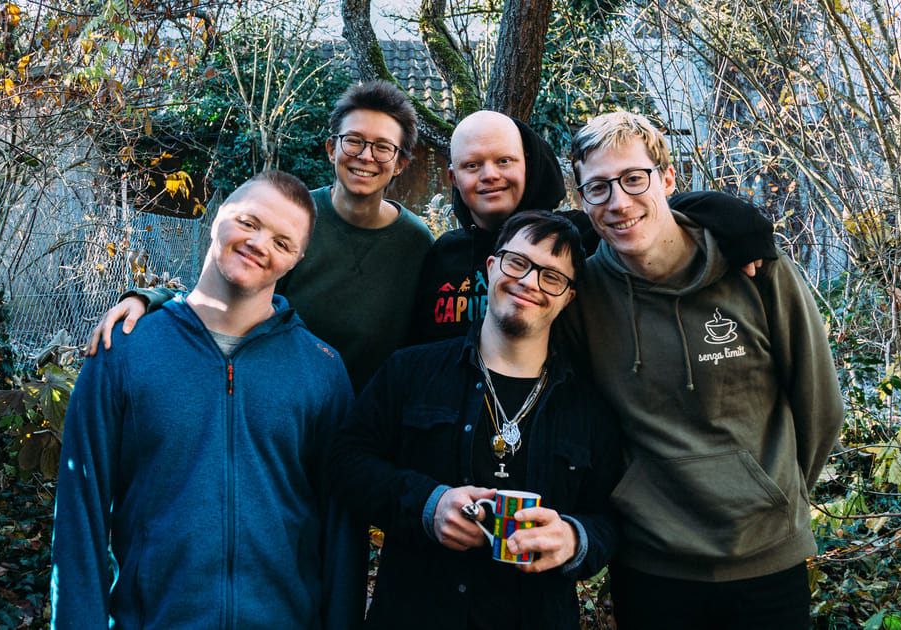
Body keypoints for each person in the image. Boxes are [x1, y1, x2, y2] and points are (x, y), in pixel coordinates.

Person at [565, 111, 844, 629]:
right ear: (582, 200)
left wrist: (772, 493)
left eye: (634, 178)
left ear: (668, 178)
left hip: (766, 560)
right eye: (598, 187)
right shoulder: (581, 293)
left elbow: (819, 403)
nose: (619, 202)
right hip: (650, 564)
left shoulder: (755, 269)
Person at [51, 170, 359, 629]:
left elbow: (341, 531)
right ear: (217, 217)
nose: (259, 244)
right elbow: (81, 514)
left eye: (282, 241)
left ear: (296, 260)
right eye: (249, 222)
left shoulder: (322, 371)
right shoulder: (125, 351)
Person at [329, 210, 623, 629]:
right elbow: (345, 463)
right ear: (491, 266)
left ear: (568, 297)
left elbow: (610, 519)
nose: (529, 282)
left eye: (551, 277)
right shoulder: (410, 372)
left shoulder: (589, 407)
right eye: (517, 262)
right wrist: (427, 505)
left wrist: (574, 539)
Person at [89, 80, 432, 393]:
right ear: (332, 148)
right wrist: (151, 300)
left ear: (400, 164)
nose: (365, 156)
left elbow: (428, 341)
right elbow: (225, 294)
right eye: (354, 141)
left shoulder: (416, 243)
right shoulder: (292, 221)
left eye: (382, 147)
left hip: (373, 423)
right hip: (275, 403)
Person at [407, 109, 776, 346]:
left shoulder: (575, 235)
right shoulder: (443, 254)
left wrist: (733, 218)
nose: (490, 175)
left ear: (527, 165)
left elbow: (641, 213)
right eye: (472, 165)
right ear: (454, 178)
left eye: (504, 161)